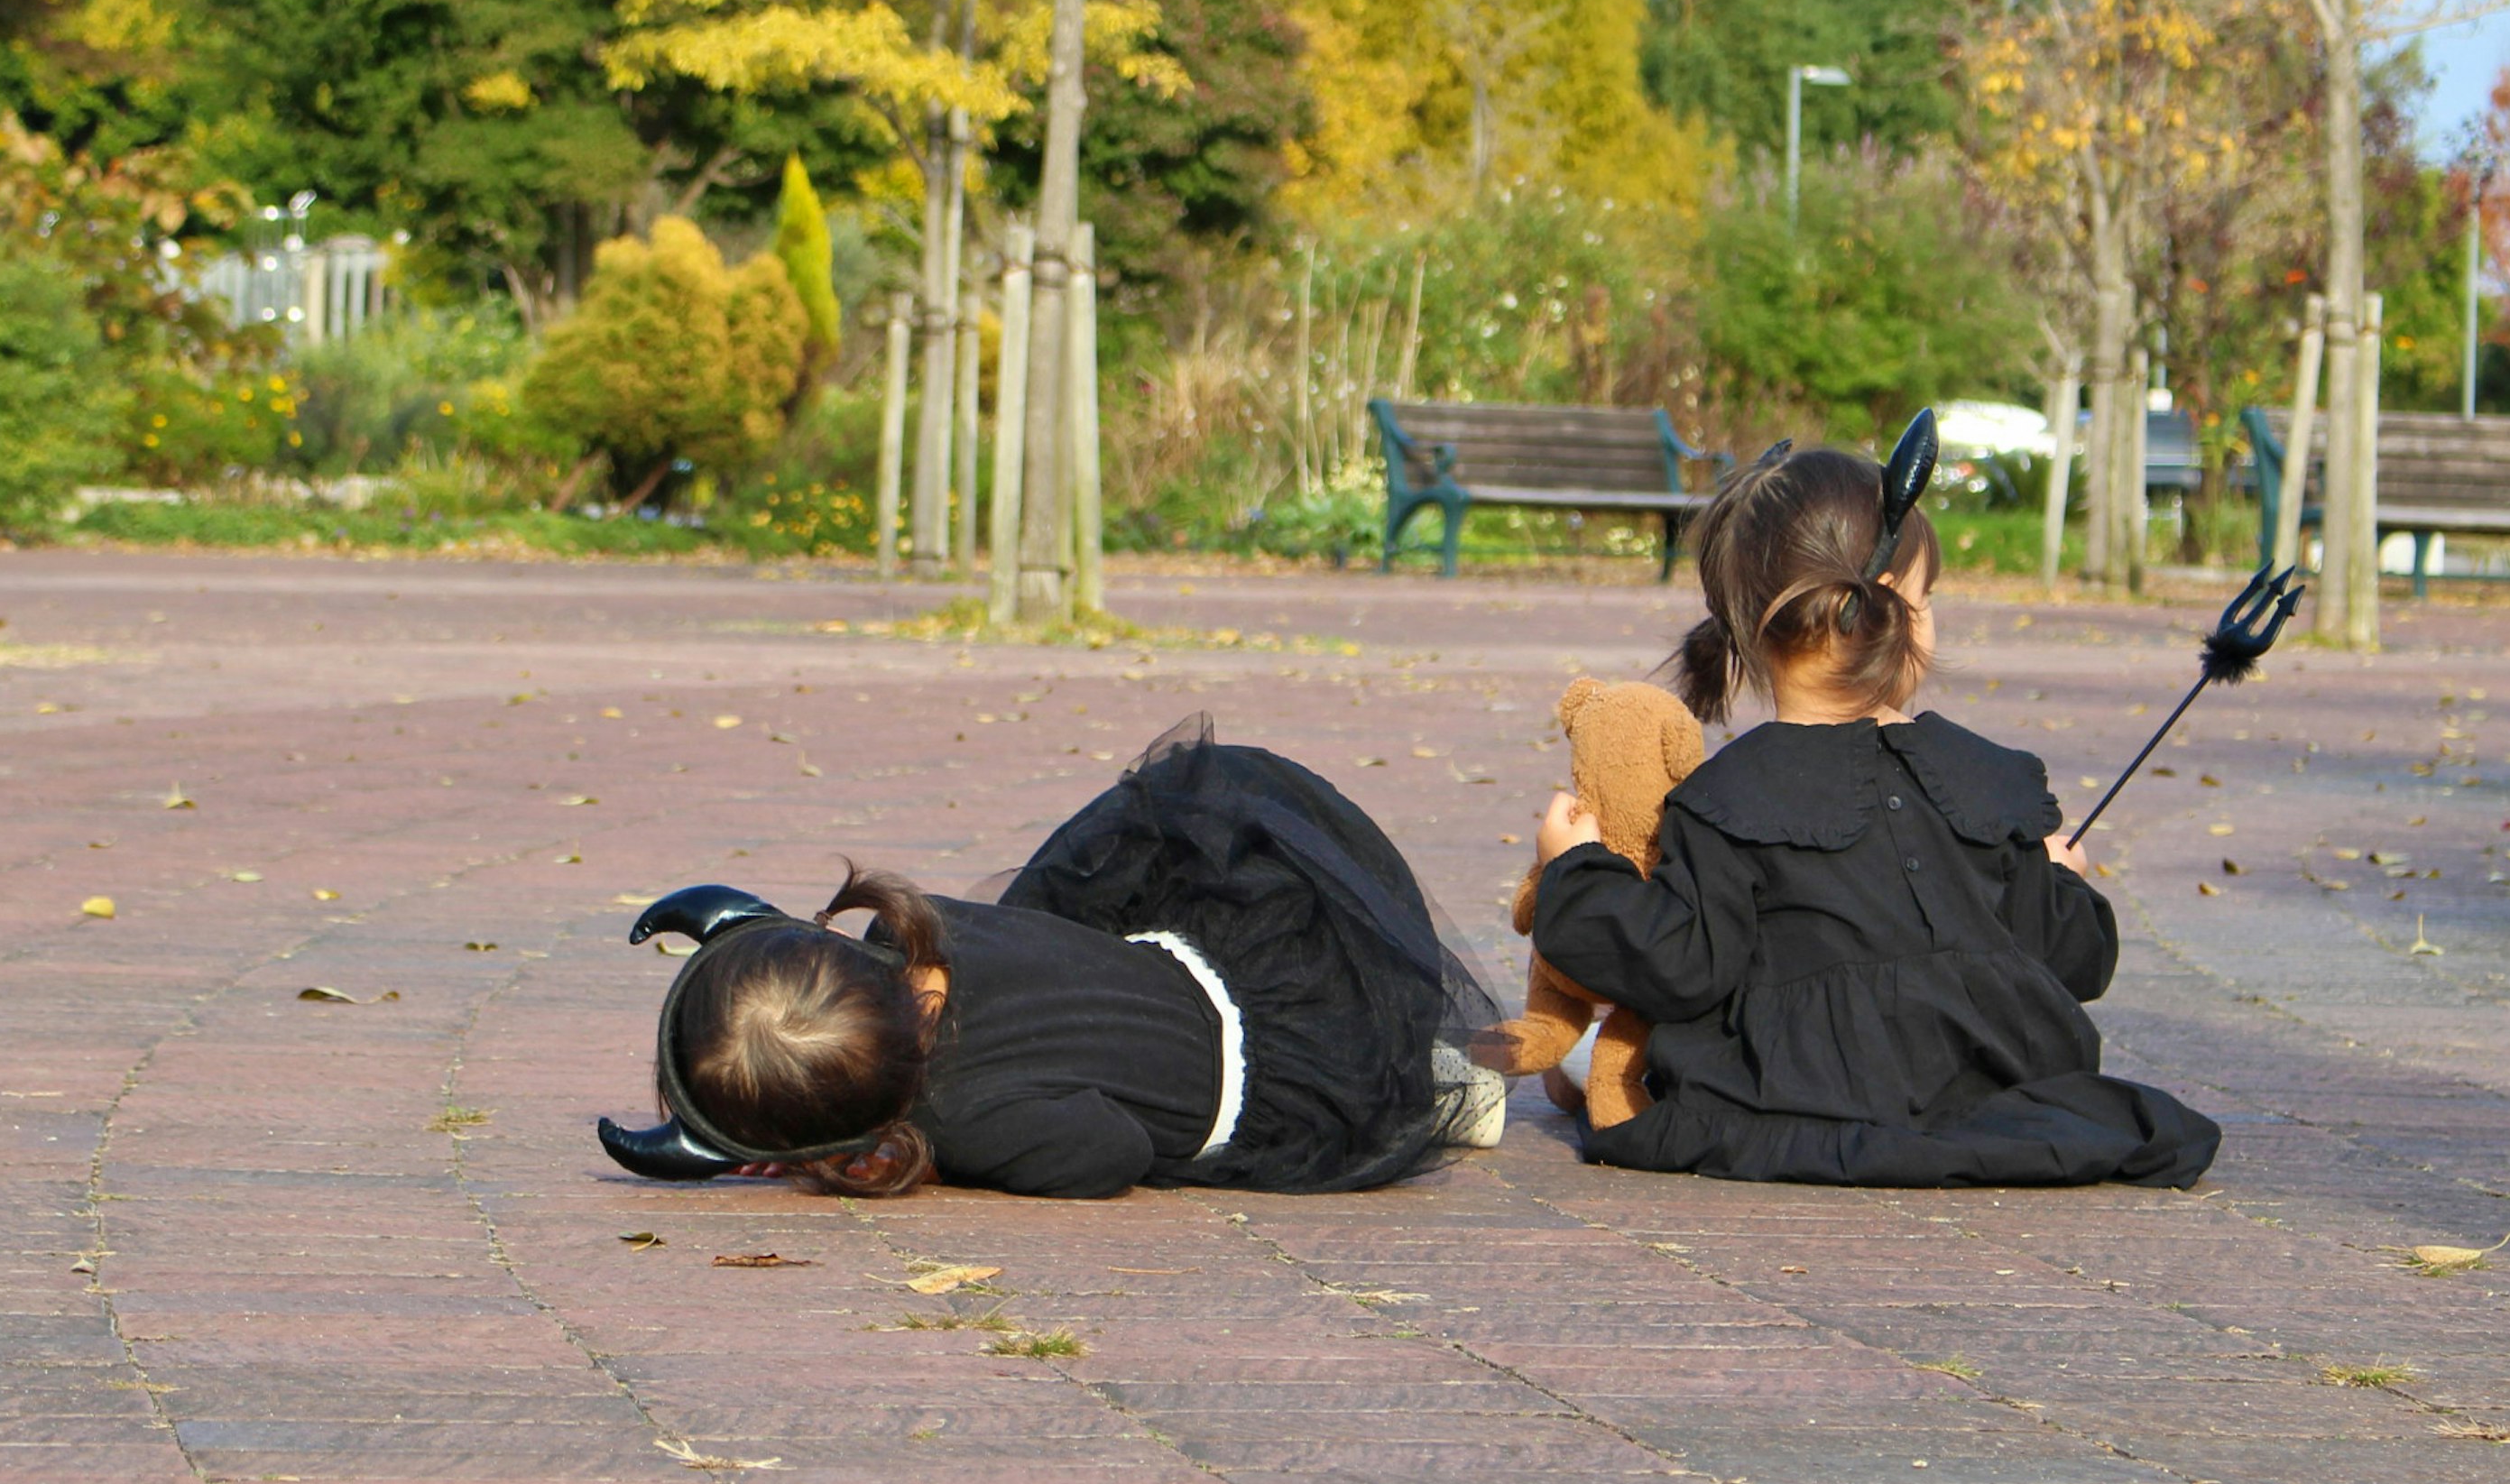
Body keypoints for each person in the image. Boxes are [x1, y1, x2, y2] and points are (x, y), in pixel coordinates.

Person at [1524, 426, 2220, 1189]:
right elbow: (2074, 965)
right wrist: (2061, 880)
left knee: (1608, 1072)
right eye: (1929, 598)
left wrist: (1578, 871)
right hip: (2004, 1089)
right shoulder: (1989, 779)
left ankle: (1573, 1068)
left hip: (1803, 1097)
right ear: (1896, 613)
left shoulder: (1728, 796)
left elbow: (1677, 968)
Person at [595, 724, 1506, 1200]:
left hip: (1285, 1086)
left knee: (1391, 1091)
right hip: (1244, 954)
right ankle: (1418, 1066)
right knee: (1097, 880)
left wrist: (949, 1159)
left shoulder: (971, 1117)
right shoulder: (918, 935)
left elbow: (1114, 1151)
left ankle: (1431, 1088)